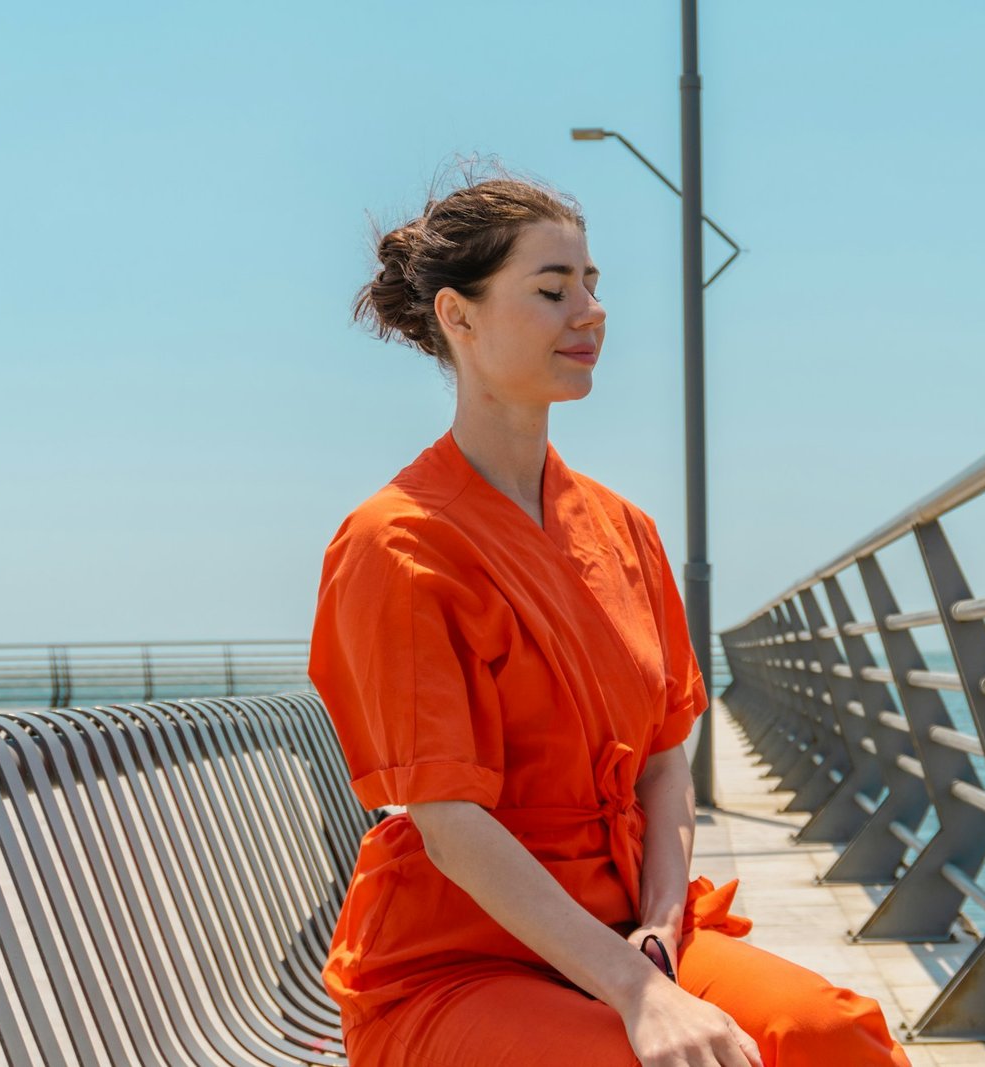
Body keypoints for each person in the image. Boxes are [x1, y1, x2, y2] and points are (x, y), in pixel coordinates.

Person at [307, 161, 912, 1067]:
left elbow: (666, 766)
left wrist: (661, 938)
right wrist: (635, 993)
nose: (588, 312)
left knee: (828, 1035)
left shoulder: (624, 528)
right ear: (458, 316)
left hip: (630, 918)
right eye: (552, 290)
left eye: (593, 285)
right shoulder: (395, 543)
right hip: (458, 959)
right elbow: (449, 821)